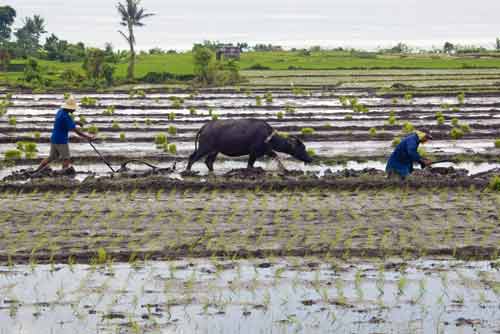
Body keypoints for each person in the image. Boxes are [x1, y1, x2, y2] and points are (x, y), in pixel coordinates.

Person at [33, 96, 94, 174]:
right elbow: (75, 130)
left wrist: (76, 122)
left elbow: (66, 123)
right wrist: (87, 137)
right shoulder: (66, 116)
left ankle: (37, 170)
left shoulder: (60, 112)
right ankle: (63, 174)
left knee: (52, 157)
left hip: (54, 138)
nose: (74, 110)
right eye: (73, 108)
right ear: (70, 108)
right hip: (61, 140)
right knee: (66, 159)